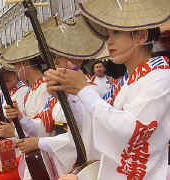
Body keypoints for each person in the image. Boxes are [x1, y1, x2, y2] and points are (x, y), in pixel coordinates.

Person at [44, 0, 170, 179]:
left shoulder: (161, 76)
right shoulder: (126, 81)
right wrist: (67, 95)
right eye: (108, 34)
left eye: (116, 32)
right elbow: (94, 124)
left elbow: (129, 129)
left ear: (141, 36)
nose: (108, 41)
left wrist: (82, 89)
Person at [1, 14, 105, 180]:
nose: (53, 65)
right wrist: (20, 118)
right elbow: (43, 126)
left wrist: (39, 143)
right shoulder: (59, 94)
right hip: (58, 161)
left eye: (58, 60)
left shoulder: (91, 92)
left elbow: (82, 140)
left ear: (74, 60)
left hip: (78, 166)